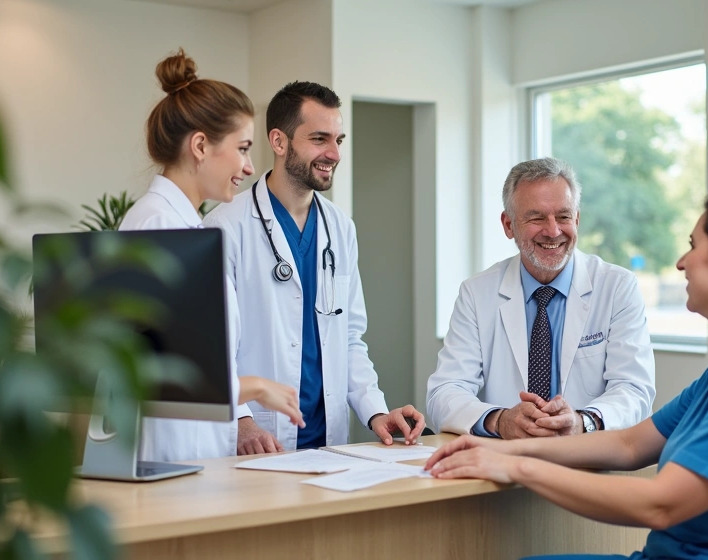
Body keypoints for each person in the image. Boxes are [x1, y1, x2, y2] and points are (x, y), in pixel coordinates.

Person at [425, 191, 708, 559]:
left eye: (693, 246)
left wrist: (516, 464)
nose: (680, 262)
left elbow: (660, 505)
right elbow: (629, 443)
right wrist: (494, 443)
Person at [202, 81, 426, 454]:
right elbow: (211, 348)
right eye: (320, 139)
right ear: (279, 141)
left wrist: (375, 412)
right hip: (257, 438)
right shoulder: (226, 228)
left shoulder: (340, 227)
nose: (334, 153)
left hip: (326, 442)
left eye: (339, 140)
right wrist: (241, 421)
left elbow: (351, 337)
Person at [120, 49, 304, 463]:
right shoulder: (158, 226)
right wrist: (257, 388)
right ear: (200, 145)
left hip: (192, 450)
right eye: (242, 149)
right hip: (171, 452)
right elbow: (170, 375)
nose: (249, 165)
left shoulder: (180, 226)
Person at [426, 158, 655, 439]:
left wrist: (583, 421)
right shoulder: (476, 293)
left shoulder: (617, 287)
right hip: (507, 460)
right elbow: (445, 391)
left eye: (563, 216)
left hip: (588, 459)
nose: (553, 231)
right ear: (508, 225)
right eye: (536, 218)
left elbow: (635, 390)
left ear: (577, 219)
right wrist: (500, 421)